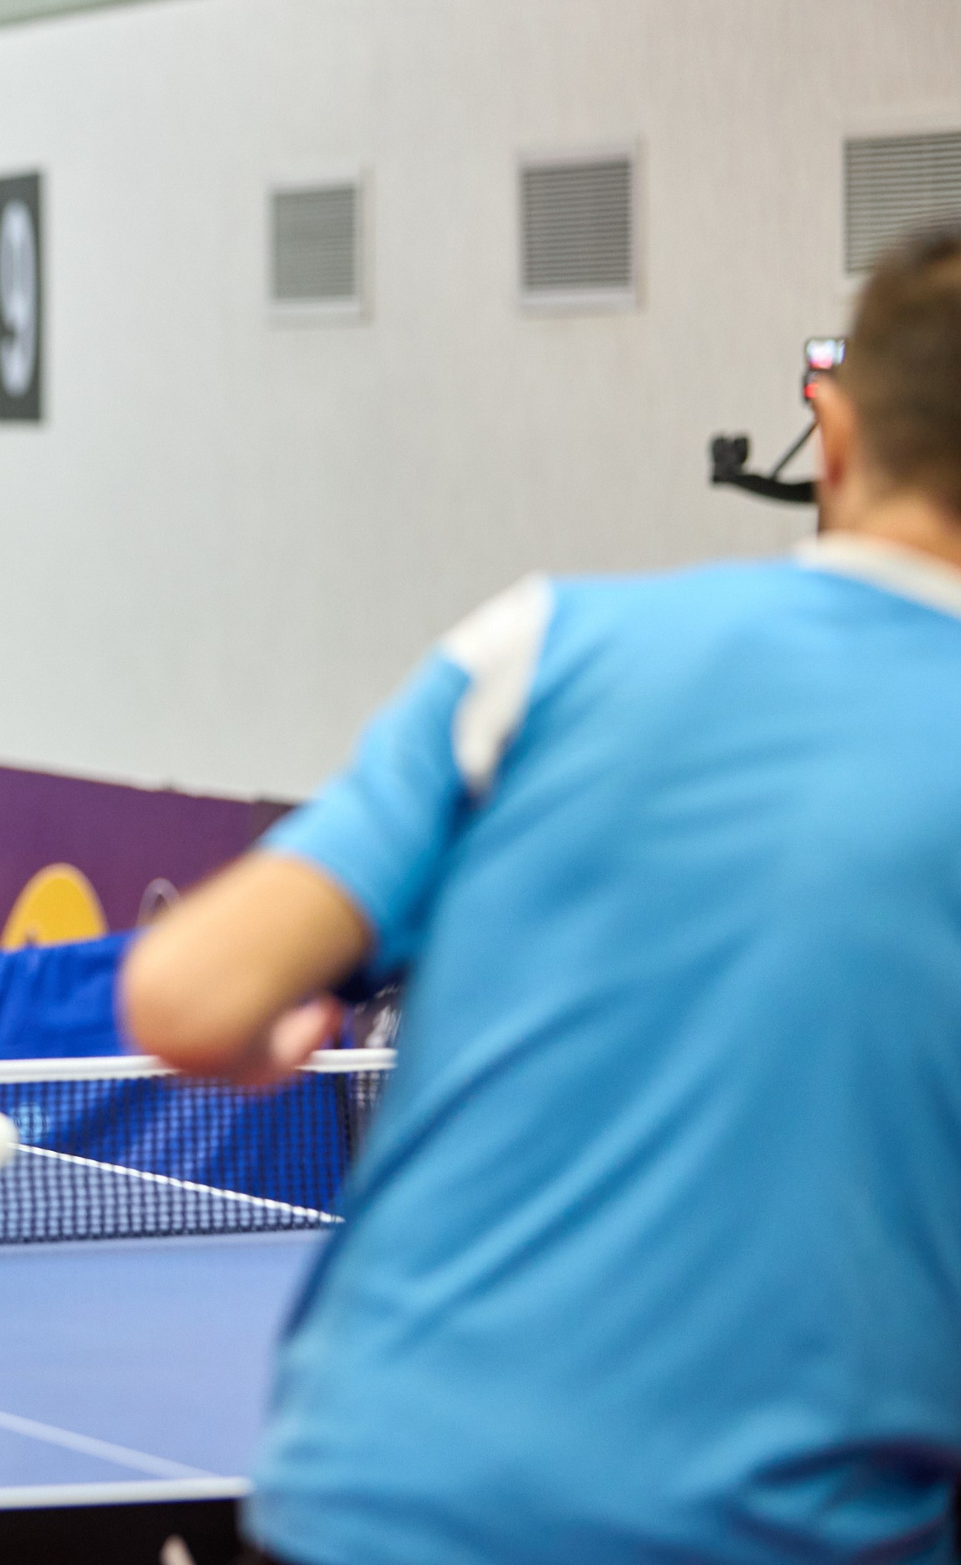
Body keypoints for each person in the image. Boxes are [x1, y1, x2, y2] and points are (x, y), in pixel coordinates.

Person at [118, 230, 961, 1562]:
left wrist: (265, 1025)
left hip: (385, 1496)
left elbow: (186, 995)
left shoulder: (547, 646)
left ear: (836, 434)